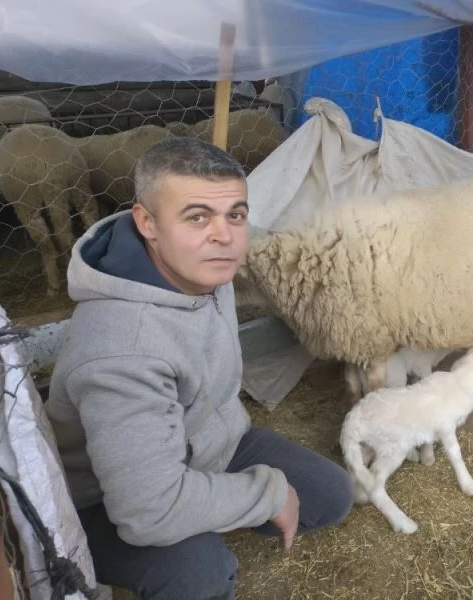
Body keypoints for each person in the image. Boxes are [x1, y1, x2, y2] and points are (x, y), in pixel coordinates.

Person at [45, 136, 353, 600]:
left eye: (236, 215)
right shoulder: (124, 351)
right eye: (197, 217)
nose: (224, 236)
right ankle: (191, 533)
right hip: (108, 502)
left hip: (209, 444)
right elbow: (145, 510)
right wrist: (266, 495)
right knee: (200, 572)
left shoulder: (201, 269)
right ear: (146, 222)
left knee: (329, 495)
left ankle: (204, 510)